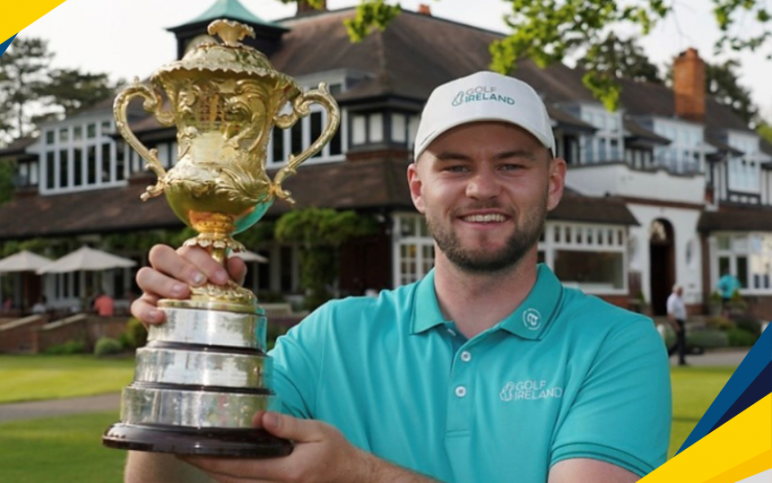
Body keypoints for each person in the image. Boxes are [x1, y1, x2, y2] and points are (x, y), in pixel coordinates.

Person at [127, 71, 671, 483]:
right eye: (455, 166)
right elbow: (186, 472)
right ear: (417, 186)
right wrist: (182, 345)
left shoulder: (617, 344)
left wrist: (361, 473)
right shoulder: (331, 336)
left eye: (511, 165)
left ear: (553, 183)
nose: (481, 188)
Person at [667, 284, 688, 366]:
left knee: (680, 341)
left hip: (681, 321)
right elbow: (670, 313)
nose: (681, 292)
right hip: (676, 321)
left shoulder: (680, 299)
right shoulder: (672, 299)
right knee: (681, 341)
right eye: (680, 290)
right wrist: (676, 325)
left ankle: (668, 354)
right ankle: (681, 360)